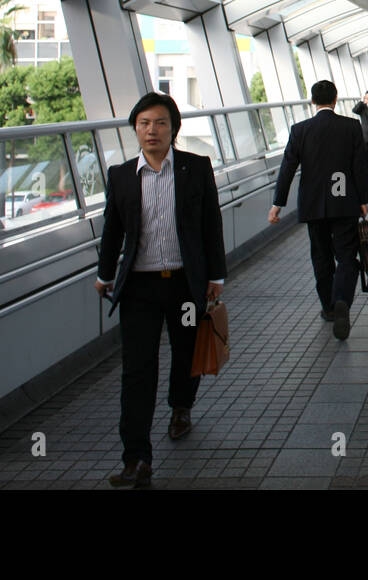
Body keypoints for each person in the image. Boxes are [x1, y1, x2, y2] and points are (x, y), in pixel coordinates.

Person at [95, 91, 226, 489]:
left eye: (160, 123)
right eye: (144, 124)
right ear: (135, 129)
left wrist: (215, 276)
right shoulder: (121, 175)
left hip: (185, 285)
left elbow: (210, 224)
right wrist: (105, 275)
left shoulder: (195, 168)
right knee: (137, 370)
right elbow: (113, 229)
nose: (152, 131)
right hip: (139, 287)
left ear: (173, 130)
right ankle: (136, 458)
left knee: (186, 354)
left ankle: (181, 407)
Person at [269, 80, 368, 340]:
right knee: (347, 256)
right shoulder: (350, 126)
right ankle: (342, 301)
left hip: (313, 204)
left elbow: (287, 167)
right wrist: (363, 199)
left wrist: (277, 204)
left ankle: (328, 307)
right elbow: (359, 165)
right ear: (335, 100)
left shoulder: (300, 130)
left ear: (312, 101)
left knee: (321, 256)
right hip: (345, 202)